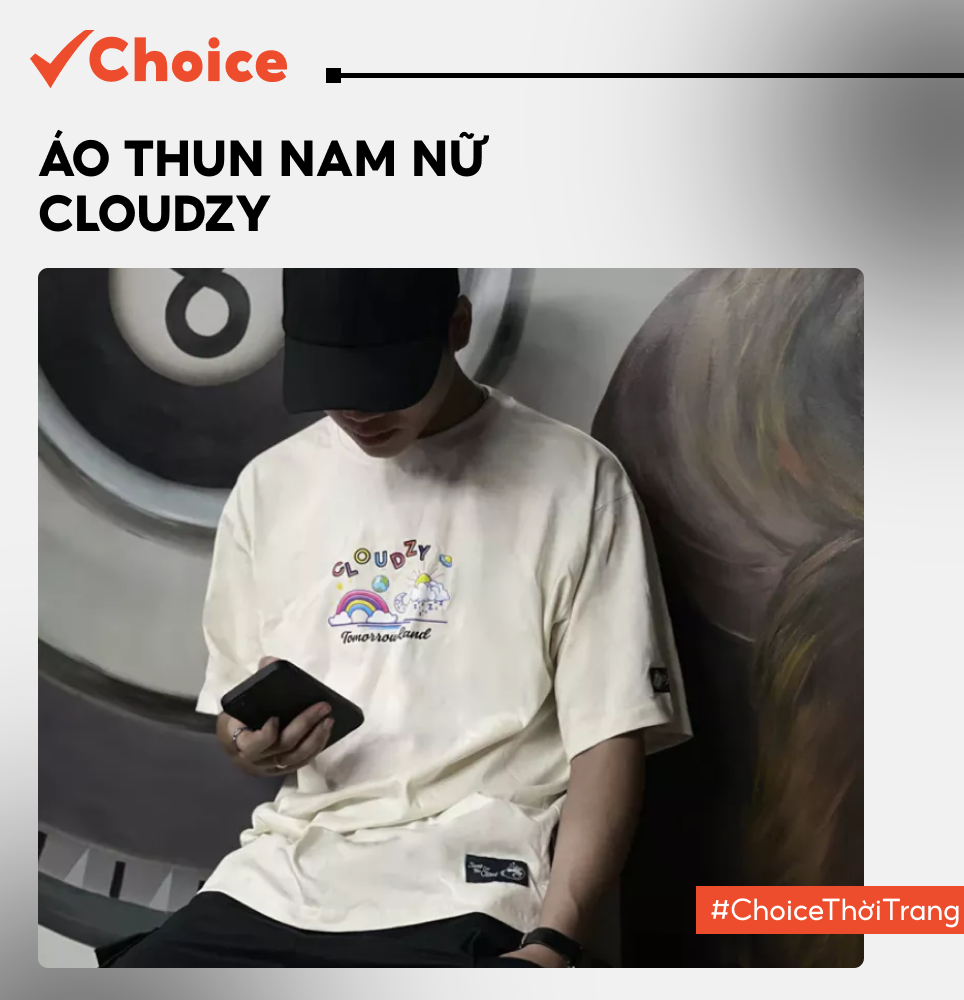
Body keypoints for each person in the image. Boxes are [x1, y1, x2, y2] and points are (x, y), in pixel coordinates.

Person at [101, 269, 690, 968]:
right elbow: (233, 722)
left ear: (458, 326)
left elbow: (610, 737)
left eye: (387, 379)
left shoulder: (577, 481)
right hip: (284, 875)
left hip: (475, 880)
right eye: (334, 383)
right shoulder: (269, 487)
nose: (359, 410)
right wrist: (253, 744)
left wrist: (555, 941)